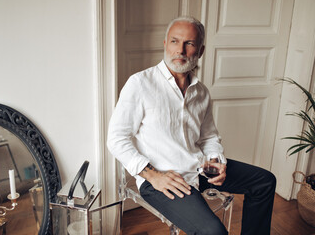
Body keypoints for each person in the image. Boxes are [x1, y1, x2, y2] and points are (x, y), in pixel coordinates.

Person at [107, 16, 276, 235]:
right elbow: (116, 139)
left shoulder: (201, 92)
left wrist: (215, 161)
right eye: (175, 41)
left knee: (264, 182)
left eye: (190, 44)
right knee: (214, 232)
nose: (181, 50)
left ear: (201, 50)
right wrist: (153, 176)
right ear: (165, 44)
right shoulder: (140, 84)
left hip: (198, 169)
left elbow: (208, 137)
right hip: (162, 179)